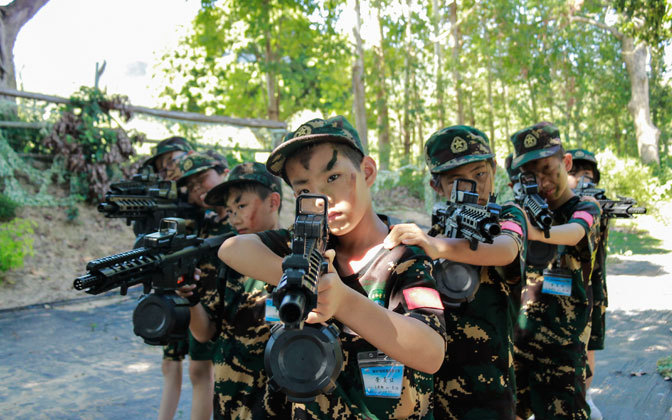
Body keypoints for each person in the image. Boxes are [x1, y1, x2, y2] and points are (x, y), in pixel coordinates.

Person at [217, 116, 447, 418]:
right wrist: (303, 278)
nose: (321, 198)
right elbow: (232, 249)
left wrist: (342, 300)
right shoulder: (306, 242)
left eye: (333, 177)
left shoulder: (403, 253)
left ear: (366, 172)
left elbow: (431, 352)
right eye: (304, 190)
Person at [383, 125, 529, 419]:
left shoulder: (507, 216)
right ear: (436, 186)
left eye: (480, 174)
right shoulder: (433, 235)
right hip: (436, 390)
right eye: (456, 182)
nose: (473, 188)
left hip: (491, 388)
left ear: (494, 167)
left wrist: (439, 247)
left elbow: (507, 248)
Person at [177, 161, 291, 419]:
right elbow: (205, 332)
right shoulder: (224, 261)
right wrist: (190, 297)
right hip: (230, 406)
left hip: (282, 407)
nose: (234, 216)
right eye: (229, 210)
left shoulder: (296, 257)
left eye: (241, 206)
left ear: (273, 202)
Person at [509, 122, 602, 420]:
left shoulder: (586, 206)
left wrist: (533, 231)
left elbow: (576, 232)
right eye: (530, 175)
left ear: (566, 163)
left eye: (547, 169)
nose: (541, 181)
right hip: (519, 346)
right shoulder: (521, 210)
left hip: (563, 352)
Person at [159, 151, 233, 420]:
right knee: (199, 371)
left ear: (223, 173)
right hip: (200, 307)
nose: (198, 189)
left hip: (234, 309)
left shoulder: (242, 223)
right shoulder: (204, 221)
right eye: (191, 186)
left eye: (203, 179)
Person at [567, 148, 607, 420]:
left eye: (588, 175)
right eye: (575, 174)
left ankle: (586, 396)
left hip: (593, 284)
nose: (582, 180)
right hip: (564, 285)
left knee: (589, 343)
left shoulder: (596, 204)